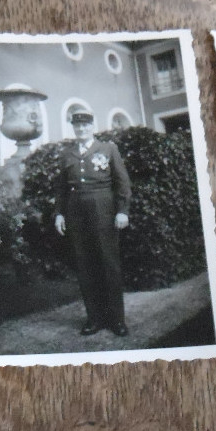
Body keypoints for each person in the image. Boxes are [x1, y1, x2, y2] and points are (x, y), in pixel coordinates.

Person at [54, 111, 132, 336]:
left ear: (92, 126)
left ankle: (117, 320)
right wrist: (59, 214)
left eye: (85, 125)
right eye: (77, 126)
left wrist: (122, 211)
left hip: (104, 209)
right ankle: (94, 319)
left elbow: (122, 183)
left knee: (109, 264)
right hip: (75, 211)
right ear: (74, 128)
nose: (81, 129)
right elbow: (60, 188)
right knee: (85, 265)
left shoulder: (108, 149)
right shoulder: (67, 154)